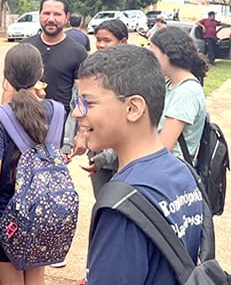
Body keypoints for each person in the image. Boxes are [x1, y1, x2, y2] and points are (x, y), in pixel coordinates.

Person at [74, 44, 203, 284]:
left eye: (88, 104)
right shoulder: (182, 172)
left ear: (133, 108)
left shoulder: (122, 204)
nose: (76, 113)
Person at [0, 43, 66, 285]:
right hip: (44, 211)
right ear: (40, 73)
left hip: (7, 214)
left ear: (6, 75)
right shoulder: (58, 112)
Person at [21, 0, 87, 170]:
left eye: (57, 14)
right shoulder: (25, 47)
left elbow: (82, 97)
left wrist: (81, 133)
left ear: (66, 17)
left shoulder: (77, 52)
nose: (51, 19)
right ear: (39, 15)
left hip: (58, 129)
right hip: (23, 124)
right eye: (46, 13)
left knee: (52, 183)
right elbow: (10, 88)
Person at [74, 19, 127, 197]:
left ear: (123, 42)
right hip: (97, 153)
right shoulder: (91, 71)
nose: (101, 45)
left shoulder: (130, 75)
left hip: (123, 154)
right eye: (98, 40)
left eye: (107, 40)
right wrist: (81, 136)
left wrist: (107, 156)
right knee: (102, 200)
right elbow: (80, 106)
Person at [149, 27, 208, 161]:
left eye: (153, 54)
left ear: (168, 54)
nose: (150, 59)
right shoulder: (169, 84)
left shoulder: (187, 92)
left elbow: (164, 147)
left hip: (170, 171)